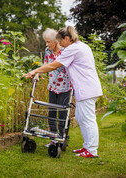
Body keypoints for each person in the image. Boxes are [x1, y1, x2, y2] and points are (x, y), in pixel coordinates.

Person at [23, 26, 103, 158]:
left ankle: (92, 150)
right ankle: (87, 146)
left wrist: (35, 71)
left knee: (87, 120)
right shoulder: (81, 46)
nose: (60, 44)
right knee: (81, 118)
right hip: (86, 88)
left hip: (87, 88)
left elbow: (54, 65)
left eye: (61, 41)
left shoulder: (73, 49)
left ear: (67, 38)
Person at [35, 28, 72, 147]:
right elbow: (46, 65)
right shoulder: (48, 51)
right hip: (52, 86)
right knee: (51, 113)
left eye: (48, 42)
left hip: (65, 87)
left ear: (55, 41)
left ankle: (62, 138)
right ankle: (53, 138)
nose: (46, 44)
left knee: (62, 114)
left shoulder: (65, 51)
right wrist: (37, 74)